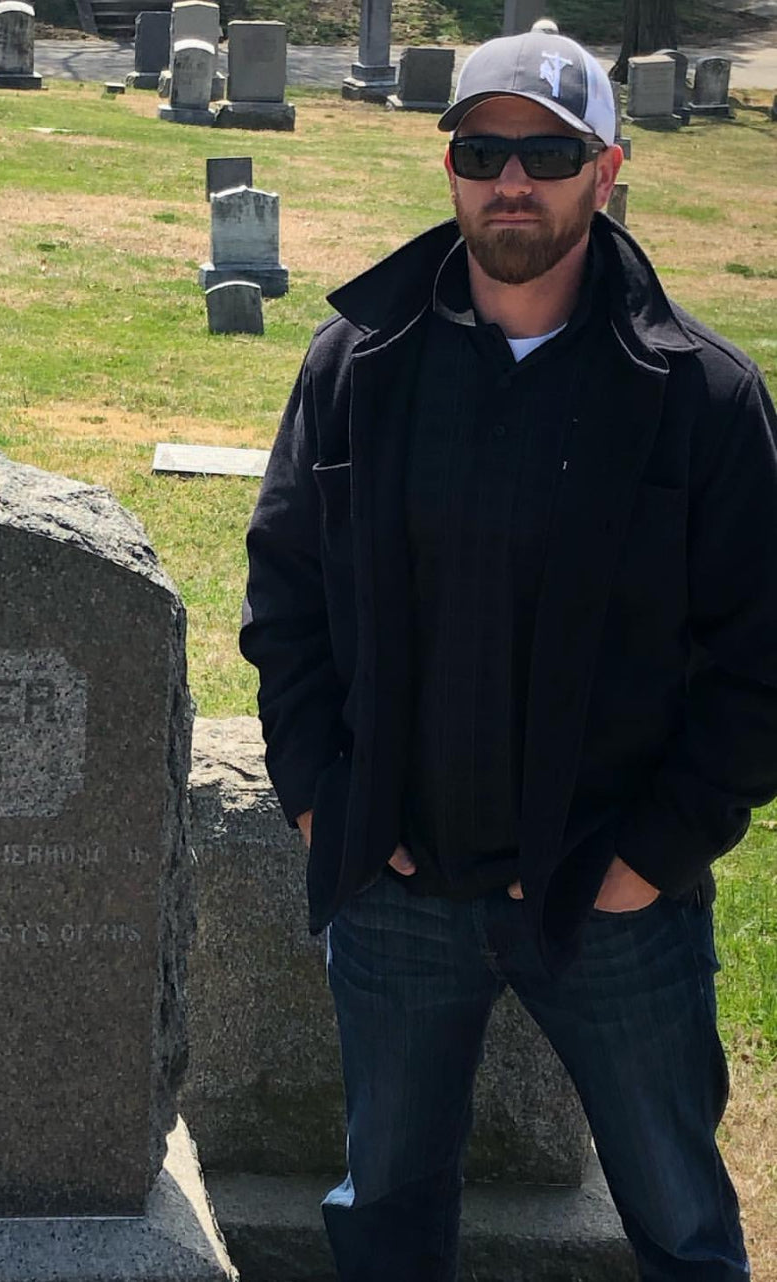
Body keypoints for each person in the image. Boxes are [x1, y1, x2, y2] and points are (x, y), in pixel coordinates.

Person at [240, 29, 777, 1282]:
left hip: (612, 899)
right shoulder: (360, 365)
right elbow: (288, 597)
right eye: (485, 150)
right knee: (388, 1218)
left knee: (683, 1223)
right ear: (452, 168)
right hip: (400, 890)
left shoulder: (699, 396)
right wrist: (323, 801)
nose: (512, 181)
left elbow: (761, 661)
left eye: (546, 151)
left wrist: (652, 858)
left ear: (606, 167)